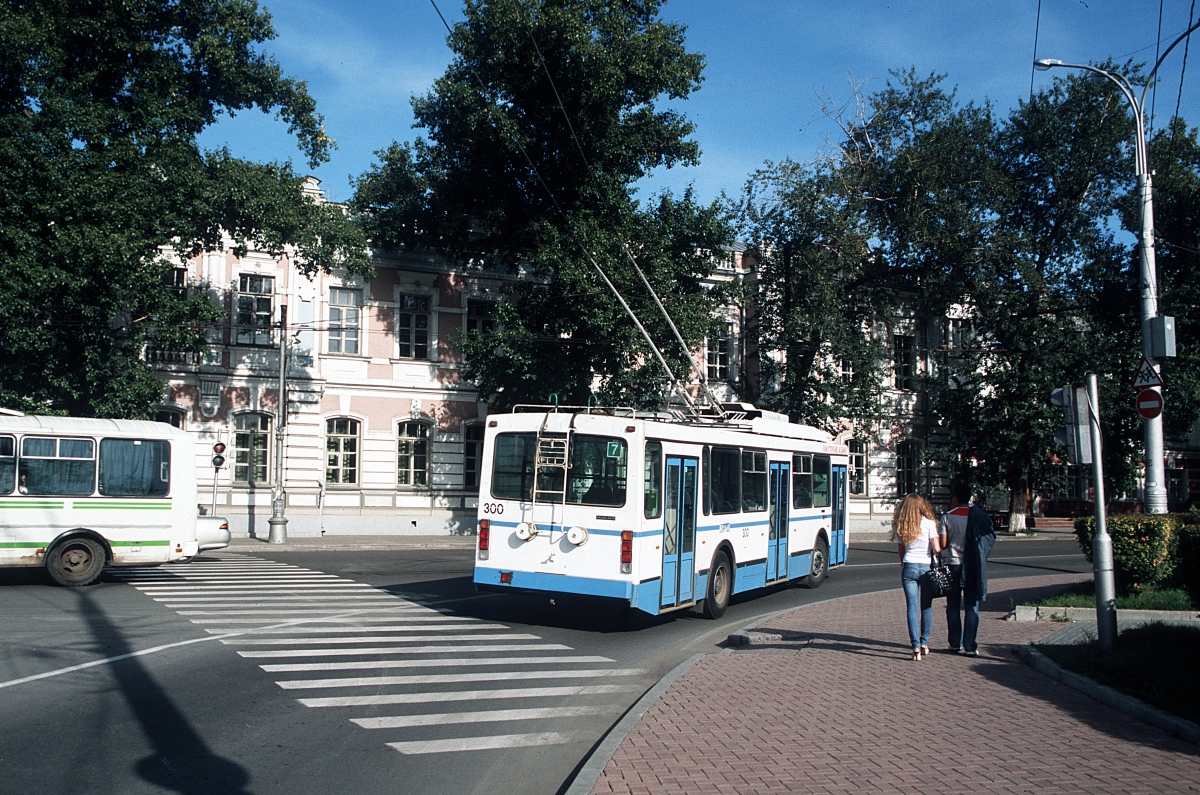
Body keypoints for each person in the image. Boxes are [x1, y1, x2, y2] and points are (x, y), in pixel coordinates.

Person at [939, 483, 997, 657]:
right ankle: (970, 646)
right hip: (973, 565)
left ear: (955, 498)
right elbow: (989, 537)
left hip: (953, 564)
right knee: (972, 606)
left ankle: (954, 643)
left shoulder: (947, 517)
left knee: (953, 605)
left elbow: (943, 545)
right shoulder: (979, 515)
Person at [892, 492, 941, 661]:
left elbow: (900, 549)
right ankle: (924, 642)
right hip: (926, 567)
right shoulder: (929, 523)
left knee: (912, 607)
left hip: (909, 566)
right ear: (921, 506)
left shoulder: (903, 525)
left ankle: (915, 647)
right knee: (926, 606)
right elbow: (937, 547)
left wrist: (903, 562)